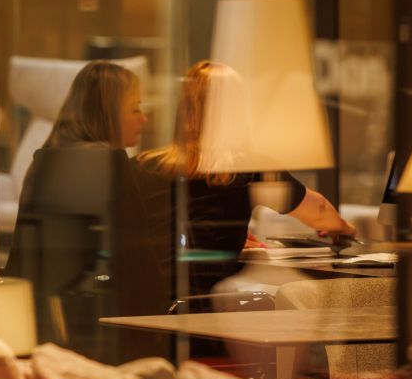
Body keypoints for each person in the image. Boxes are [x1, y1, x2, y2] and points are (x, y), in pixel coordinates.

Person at [140, 60, 353, 292]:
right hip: (203, 302)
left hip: (148, 298)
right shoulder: (247, 167)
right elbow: (319, 212)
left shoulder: (144, 165)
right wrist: (344, 229)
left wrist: (230, 232)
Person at [5, 61, 169, 357]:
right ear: (108, 112)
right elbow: (137, 261)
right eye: (135, 109)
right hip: (104, 329)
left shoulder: (42, 161)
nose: (143, 119)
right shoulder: (110, 162)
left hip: (45, 326)